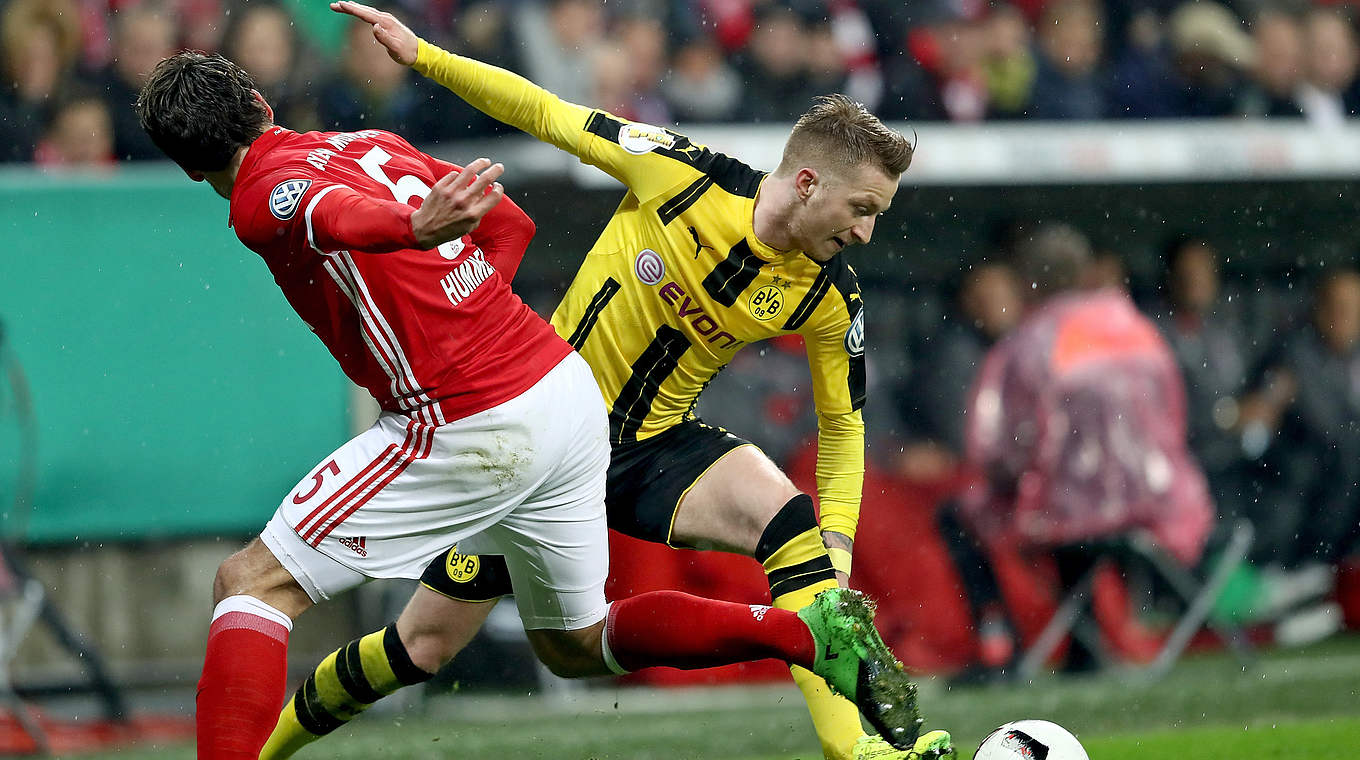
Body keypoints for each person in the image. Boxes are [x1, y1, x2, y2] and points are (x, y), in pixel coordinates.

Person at [136, 51, 934, 760]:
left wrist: (411, 233)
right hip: (565, 398)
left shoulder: (260, 195)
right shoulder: (372, 144)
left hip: (504, 424)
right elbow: (521, 181)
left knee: (251, 584)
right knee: (512, 645)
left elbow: (323, 214)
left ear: (185, 164)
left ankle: (850, 734)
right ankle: (803, 632)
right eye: (863, 209)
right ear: (266, 107)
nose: (865, 231)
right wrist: (426, 74)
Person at [959, 222, 1214, 673]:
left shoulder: (1030, 344)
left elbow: (997, 448)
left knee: (965, 514)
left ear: (1026, 279)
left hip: (1071, 510)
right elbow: (1176, 419)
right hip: (1160, 501)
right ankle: (1084, 644)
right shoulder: (1138, 329)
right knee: (1070, 513)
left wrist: (1023, 478)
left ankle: (1002, 647)